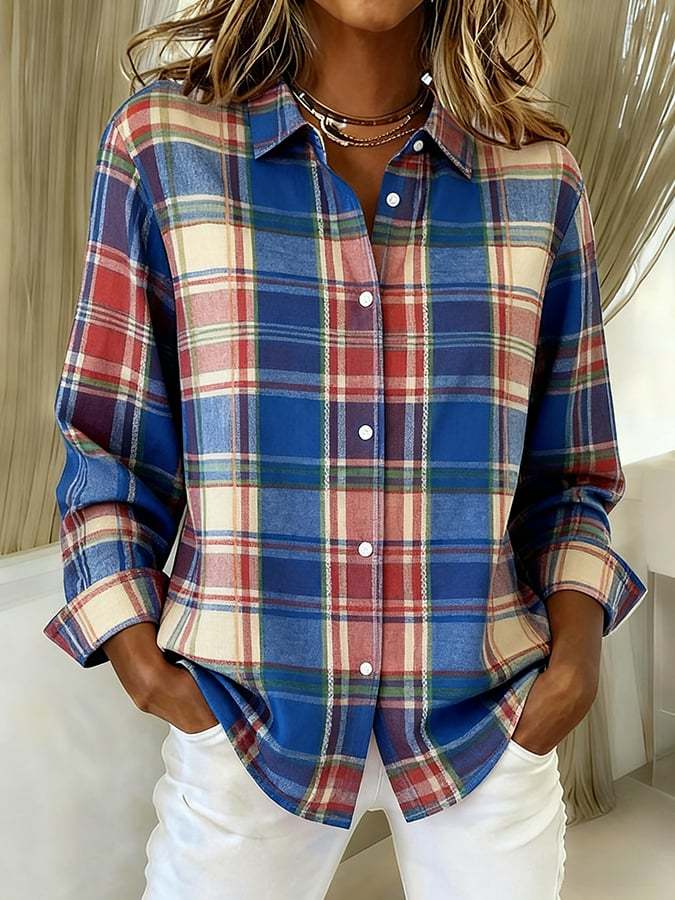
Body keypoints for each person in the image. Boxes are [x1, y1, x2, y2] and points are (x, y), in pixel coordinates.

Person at [43, 1, 647, 898]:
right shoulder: (164, 146)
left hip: (486, 716)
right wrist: (141, 661)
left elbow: (569, 471)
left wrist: (575, 666)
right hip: (247, 719)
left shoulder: (534, 176)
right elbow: (110, 444)